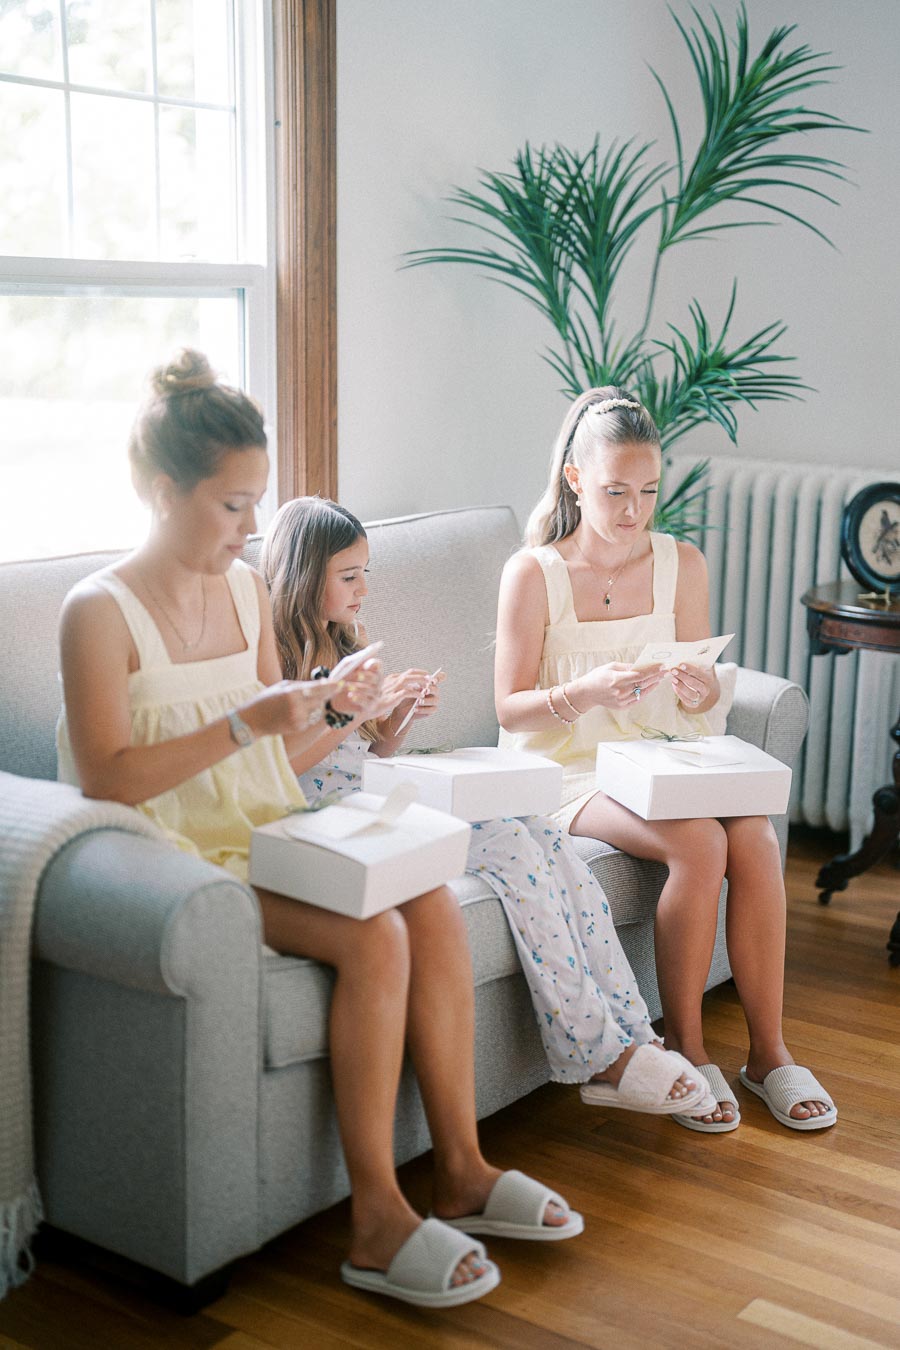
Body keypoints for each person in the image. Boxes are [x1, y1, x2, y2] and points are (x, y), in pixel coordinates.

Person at [58, 351, 531, 1311]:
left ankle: (465, 1170)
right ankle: (374, 1217)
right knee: (378, 932)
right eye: (232, 506)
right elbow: (106, 777)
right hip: (165, 856)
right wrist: (252, 720)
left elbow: (283, 749)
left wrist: (337, 704)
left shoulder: (242, 594)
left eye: (257, 504)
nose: (250, 530)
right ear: (160, 491)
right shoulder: (95, 613)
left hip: (265, 827)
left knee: (431, 901)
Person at [259, 496, 716, 1132]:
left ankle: (634, 1035)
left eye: (367, 572)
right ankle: (597, 1052)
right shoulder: (271, 657)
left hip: (374, 783)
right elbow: (280, 763)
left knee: (543, 835)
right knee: (509, 845)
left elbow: (368, 749)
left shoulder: (349, 642)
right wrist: (357, 715)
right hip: (330, 809)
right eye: (349, 576)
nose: (365, 589)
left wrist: (393, 722)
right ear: (305, 577)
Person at [494, 386, 837, 1134]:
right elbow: (509, 708)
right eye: (616, 492)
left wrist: (701, 684)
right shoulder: (534, 572)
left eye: (648, 492)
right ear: (576, 479)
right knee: (700, 841)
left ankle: (768, 1053)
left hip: (658, 760)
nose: (632, 512)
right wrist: (583, 690)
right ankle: (685, 1045)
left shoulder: (682, 563)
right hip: (569, 768)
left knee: (755, 834)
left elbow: (700, 700)